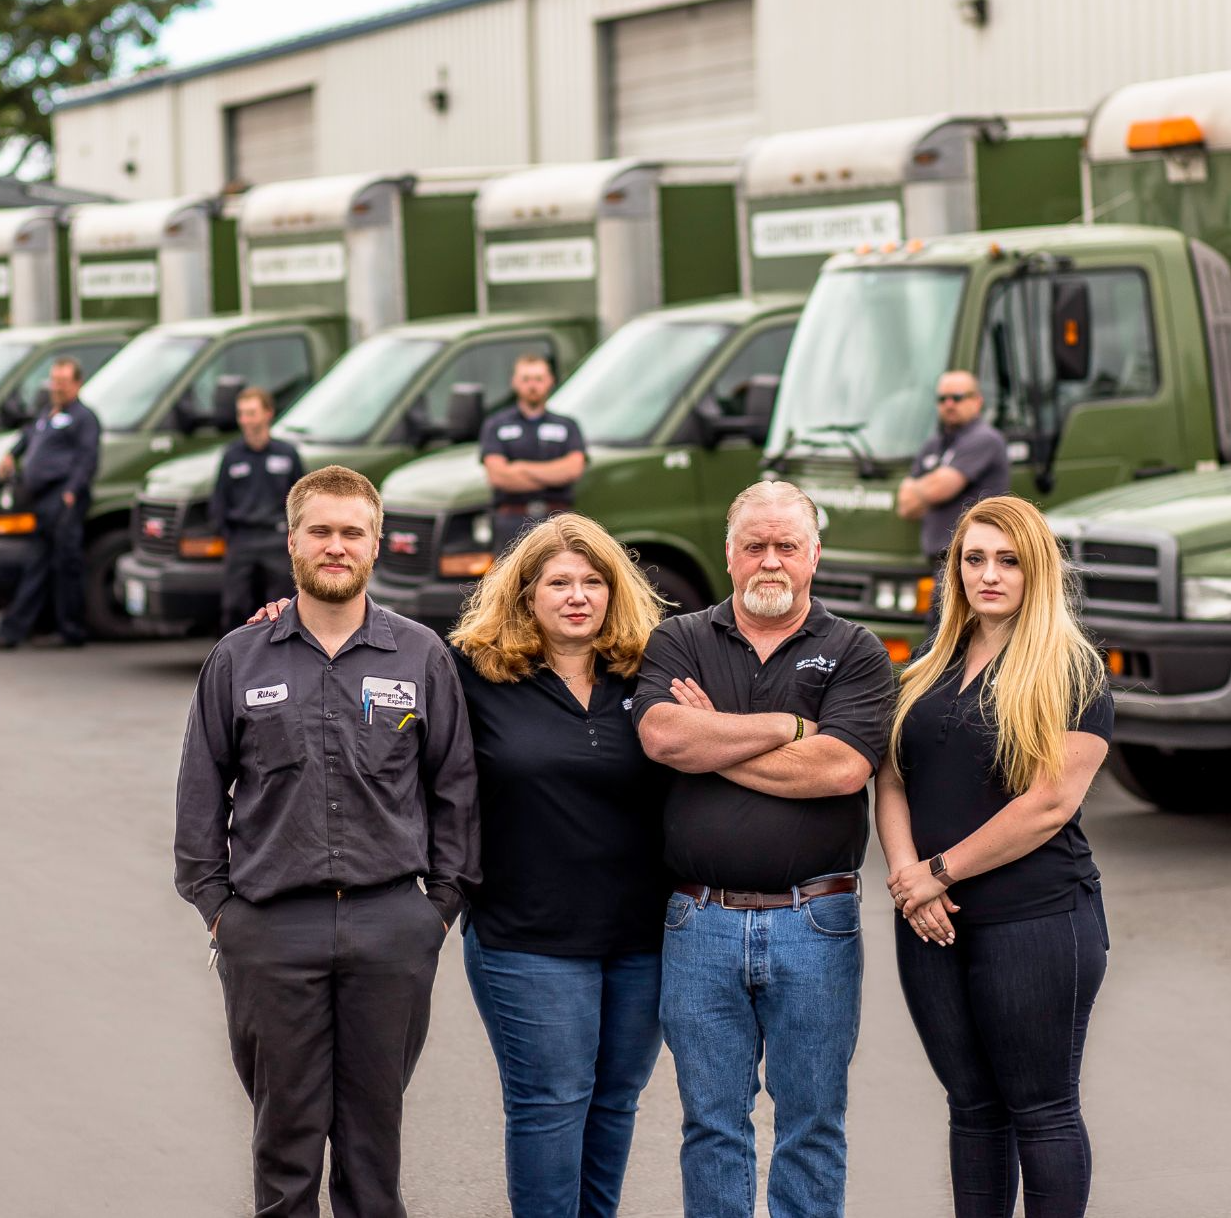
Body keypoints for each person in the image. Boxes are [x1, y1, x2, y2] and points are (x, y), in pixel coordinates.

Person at [174, 464, 479, 1218]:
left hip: (390, 927)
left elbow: (456, 791)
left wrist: (435, 911)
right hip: (271, 928)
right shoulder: (239, 659)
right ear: (292, 542)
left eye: (352, 532)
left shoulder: (421, 656)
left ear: (376, 545)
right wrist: (223, 912)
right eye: (321, 531)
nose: (335, 545)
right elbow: (199, 800)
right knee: (284, 1145)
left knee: (374, 1144)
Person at [632, 479, 895, 1218]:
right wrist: (789, 726)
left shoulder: (855, 650)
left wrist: (712, 739)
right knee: (712, 1124)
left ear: (815, 554)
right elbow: (661, 734)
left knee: (812, 1123)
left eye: (786, 545)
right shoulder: (679, 638)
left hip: (816, 920)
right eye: (755, 545)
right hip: (699, 921)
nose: (770, 560)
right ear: (730, 553)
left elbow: (843, 767)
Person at [878, 494, 1115, 1218]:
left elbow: (1049, 803)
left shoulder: (1073, 668)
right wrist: (907, 878)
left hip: (1036, 921)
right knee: (972, 1107)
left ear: (1036, 569)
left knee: (1040, 1108)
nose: (989, 574)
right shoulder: (930, 660)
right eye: (974, 558)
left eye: (1008, 560)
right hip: (930, 921)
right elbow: (890, 775)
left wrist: (939, 872)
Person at [447, 513, 669, 1218]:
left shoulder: (652, 670)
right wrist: (286, 613)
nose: (578, 595)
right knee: (550, 1103)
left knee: (614, 1101)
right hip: (527, 937)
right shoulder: (473, 670)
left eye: (594, 581)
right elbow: (373, 654)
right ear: (525, 593)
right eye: (559, 581)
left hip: (643, 940)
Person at [0, 358, 100, 650]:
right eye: (54, 381)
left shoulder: (83, 418)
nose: (57, 387)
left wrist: (71, 492)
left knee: (65, 566)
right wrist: (12, 454)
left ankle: (71, 630)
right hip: (41, 501)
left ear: (77, 384)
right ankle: (14, 631)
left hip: (63, 501)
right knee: (36, 565)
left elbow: (87, 459)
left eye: (63, 382)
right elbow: (29, 435)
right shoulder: (48, 413)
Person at [898, 371, 1011, 641]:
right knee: (938, 641)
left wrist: (922, 488)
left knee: (956, 641)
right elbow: (905, 505)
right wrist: (930, 488)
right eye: (943, 398)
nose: (949, 404)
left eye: (958, 397)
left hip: (973, 564)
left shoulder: (986, 439)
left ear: (977, 401)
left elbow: (941, 487)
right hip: (941, 566)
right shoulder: (933, 445)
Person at [211, 385, 303, 632]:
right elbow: (219, 501)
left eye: (251, 413)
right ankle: (234, 659)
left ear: (268, 413)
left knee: (282, 606)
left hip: (277, 539)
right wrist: (228, 536)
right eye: (242, 414)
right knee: (235, 605)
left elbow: (302, 499)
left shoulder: (287, 454)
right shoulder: (231, 455)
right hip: (242, 539)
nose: (246, 420)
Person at [480, 354, 586, 553]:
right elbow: (498, 475)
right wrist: (553, 475)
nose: (532, 385)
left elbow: (573, 469)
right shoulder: (496, 424)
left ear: (550, 381)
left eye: (538, 379)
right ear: (515, 382)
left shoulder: (567, 425)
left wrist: (521, 468)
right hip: (512, 520)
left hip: (557, 519)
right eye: (526, 379)